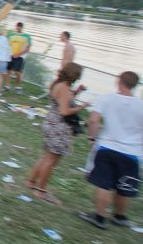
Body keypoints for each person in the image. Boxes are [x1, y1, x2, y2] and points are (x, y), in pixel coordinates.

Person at [79, 71, 142, 229]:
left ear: (119, 81)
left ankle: (100, 217)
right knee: (125, 185)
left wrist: (92, 139)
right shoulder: (141, 105)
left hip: (108, 146)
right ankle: (119, 216)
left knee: (104, 183)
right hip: (132, 151)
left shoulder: (106, 99)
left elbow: (93, 120)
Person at [26, 63, 87, 205]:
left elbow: (62, 100)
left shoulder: (58, 84)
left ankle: (31, 181)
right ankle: (41, 190)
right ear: (75, 76)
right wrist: (82, 107)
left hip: (51, 123)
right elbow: (65, 111)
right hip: (59, 126)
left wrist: (77, 92)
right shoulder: (65, 87)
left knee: (46, 156)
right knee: (51, 161)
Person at [5, 22, 32, 92]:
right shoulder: (11, 35)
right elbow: (6, 44)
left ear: (22, 27)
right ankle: (7, 86)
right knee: (8, 70)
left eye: (19, 27)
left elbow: (28, 48)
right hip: (11, 55)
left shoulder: (27, 36)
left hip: (20, 56)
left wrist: (18, 54)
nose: (18, 28)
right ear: (15, 27)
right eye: (17, 26)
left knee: (17, 72)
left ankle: (19, 86)